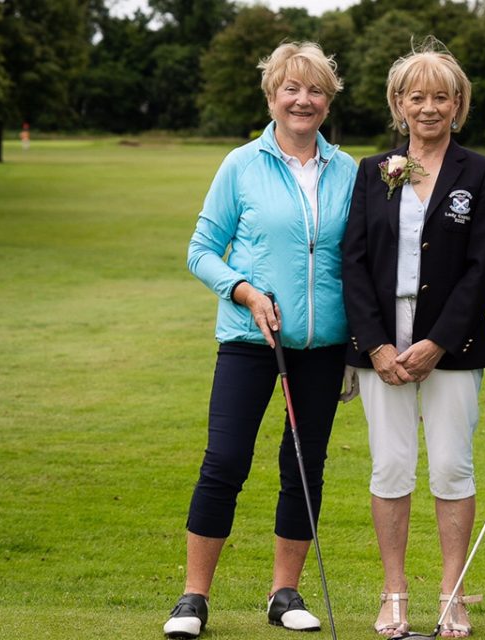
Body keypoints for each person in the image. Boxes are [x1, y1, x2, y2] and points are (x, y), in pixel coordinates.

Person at [162, 41, 357, 640]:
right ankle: (193, 598)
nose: (303, 99)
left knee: (304, 465)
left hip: (323, 345)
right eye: (291, 89)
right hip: (251, 335)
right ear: (272, 96)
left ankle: (284, 592)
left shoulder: (350, 171)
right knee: (224, 461)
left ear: (328, 100)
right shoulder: (241, 165)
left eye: (315, 89)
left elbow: (362, 259)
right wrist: (244, 290)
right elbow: (200, 251)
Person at [341, 37, 485, 639]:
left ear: (458, 104)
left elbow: (482, 267)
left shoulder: (481, 173)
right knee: (390, 468)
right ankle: (394, 594)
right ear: (398, 104)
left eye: (442, 96)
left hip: (451, 349)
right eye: (417, 97)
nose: (429, 107)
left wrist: (438, 341)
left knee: (454, 469)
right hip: (381, 347)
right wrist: (377, 345)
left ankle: (453, 594)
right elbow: (352, 264)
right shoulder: (371, 170)